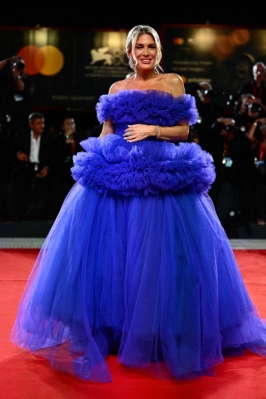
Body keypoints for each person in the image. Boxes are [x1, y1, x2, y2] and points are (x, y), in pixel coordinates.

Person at [10, 25, 266, 383]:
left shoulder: (174, 82)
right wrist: (97, 156)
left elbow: (184, 132)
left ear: (158, 51)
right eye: (139, 47)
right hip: (120, 174)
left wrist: (151, 130)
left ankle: (159, 328)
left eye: (151, 46)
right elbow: (107, 132)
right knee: (115, 255)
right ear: (129, 52)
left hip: (161, 173)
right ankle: (116, 327)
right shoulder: (116, 88)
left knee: (161, 257)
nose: (145, 52)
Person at [11, 112, 54, 220]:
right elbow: (12, 150)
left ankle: (41, 217)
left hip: (41, 168)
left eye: (43, 123)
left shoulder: (48, 138)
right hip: (25, 167)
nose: (42, 126)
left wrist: (47, 167)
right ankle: (19, 217)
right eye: (38, 123)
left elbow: (51, 156)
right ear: (31, 125)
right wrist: (18, 154)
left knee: (44, 191)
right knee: (21, 188)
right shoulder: (21, 135)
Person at [0, 55, 35, 139]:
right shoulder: (8, 80)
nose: (19, 68)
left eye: (20, 66)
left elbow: (24, 91)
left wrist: (17, 76)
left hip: (21, 121)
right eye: (15, 65)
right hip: (7, 119)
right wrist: (8, 60)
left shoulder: (28, 82)